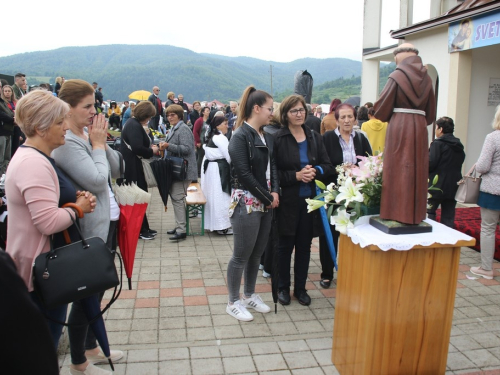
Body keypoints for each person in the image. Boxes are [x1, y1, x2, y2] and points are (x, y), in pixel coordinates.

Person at [5, 90, 95, 353]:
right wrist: (78, 209)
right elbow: (47, 222)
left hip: (39, 268)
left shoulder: (34, 157)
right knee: (43, 347)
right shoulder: (34, 163)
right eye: (59, 122)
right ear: (39, 128)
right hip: (39, 273)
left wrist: (71, 201)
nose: (65, 127)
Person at [53, 79, 124, 372]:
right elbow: (96, 180)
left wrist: (100, 143)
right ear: (67, 109)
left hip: (107, 223)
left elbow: (117, 168)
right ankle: (78, 362)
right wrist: (96, 145)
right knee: (86, 296)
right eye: (87, 106)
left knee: (98, 290)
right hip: (91, 229)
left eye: (94, 105)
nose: (93, 112)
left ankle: (91, 347)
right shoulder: (67, 143)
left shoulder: (84, 136)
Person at [225, 85, 279, 322]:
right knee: (241, 254)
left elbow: (272, 167)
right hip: (247, 202)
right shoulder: (240, 136)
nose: (272, 113)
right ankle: (232, 301)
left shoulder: (264, 135)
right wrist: (268, 197)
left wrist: (274, 192)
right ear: (256, 108)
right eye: (270, 108)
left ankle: (249, 295)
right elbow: (244, 175)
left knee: (256, 254)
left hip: (265, 200)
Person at [274, 95, 333, 306]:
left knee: (304, 247)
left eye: (301, 110)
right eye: (294, 111)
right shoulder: (278, 139)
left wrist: (314, 171)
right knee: (284, 246)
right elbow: (274, 174)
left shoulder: (315, 137)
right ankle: (282, 287)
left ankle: (300, 288)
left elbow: (328, 165)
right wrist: (296, 176)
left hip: (311, 201)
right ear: (286, 114)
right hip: (288, 201)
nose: (299, 114)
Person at [374, 43, 436, 224]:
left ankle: (395, 212)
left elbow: (381, 109)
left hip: (399, 126)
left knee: (397, 169)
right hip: (419, 126)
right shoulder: (428, 79)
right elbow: (431, 114)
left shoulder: (397, 76)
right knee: (416, 169)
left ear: (398, 57)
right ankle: (415, 215)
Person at [320, 103, 372, 288]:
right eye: (343, 117)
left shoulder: (361, 139)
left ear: (355, 118)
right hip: (335, 192)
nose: (347, 120)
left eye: (350, 116)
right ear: (336, 120)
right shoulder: (327, 138)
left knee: (355, 232)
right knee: (331, 234)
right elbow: (322, 163)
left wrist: (358, 171)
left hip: (356, 193)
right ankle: (327, 273)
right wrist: (341, 169)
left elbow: (369, 162)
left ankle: (353, 270)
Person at [120, 101, 160, 240]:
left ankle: (144, 227)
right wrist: (152, 150)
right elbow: (137, 147)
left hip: (133, 164)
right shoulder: (134, 126)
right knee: (139, 196)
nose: (149, 120)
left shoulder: (133, 124)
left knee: (140, 196)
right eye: (149, 117)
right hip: (133, 166)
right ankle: (140, 230)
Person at [469, 106, 500, 280]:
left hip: (493, 190)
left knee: (488, 229)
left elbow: (482, 166)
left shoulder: (493, 138)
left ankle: (487, 268)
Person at [160, 104, 197, 240]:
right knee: (177, 198)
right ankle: (179, 225)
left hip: (184, 171)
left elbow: (187, 149)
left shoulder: (183, 129)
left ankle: (181, 230)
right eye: (168, 115)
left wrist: (169, 145)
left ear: (180, 116)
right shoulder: (176, 128)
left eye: (173, 115)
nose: (170, 117)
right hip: (178, 171)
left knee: (177, 198)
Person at [427, 116, 465, 228]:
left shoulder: (438, 144)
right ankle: (448, 241)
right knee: (448, 216)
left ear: (440, 129)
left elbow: (431, 163)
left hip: (437, 184)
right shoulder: (458, 145)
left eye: (436, 128)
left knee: (430, 212)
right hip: (454, 184)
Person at [201, 116, 232, 234]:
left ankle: (216, 224)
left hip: (212, 169)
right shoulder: (220, 138)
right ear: (218, 125)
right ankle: (222, 226)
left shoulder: (212, 136)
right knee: (221, 196)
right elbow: (229, 155)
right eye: (225, 123)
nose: (227, 126)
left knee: (214, 196)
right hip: (219, 169)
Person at [0, 85, 16, 173]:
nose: (7, 93)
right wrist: (13, 120)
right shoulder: (3, 102)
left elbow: (9, 113)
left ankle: (4, 176)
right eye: (5, 91)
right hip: (1, 132)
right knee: (1, 159)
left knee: (7, 158)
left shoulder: (3, 102)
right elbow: (2, 115)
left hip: (9, 131)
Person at [193, 106, 211, 177]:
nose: (208, 112)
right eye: (207, 111)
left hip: (208, 141)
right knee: (200, 156)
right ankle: (198, 172)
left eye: (209, 110)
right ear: (203, 112)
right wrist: (197, 141)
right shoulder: (199, 120)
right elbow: (195, 131)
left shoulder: (210, 120)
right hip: (201, 141)